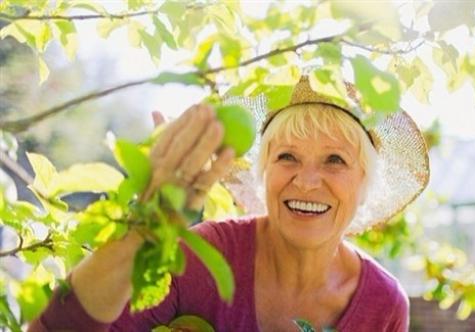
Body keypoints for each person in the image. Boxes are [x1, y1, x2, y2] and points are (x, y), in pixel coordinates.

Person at [30, 76, 429, 331]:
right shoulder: (202, 261)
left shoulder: (382, 306)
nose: (306, 181)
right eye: (286, 156)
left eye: (335, 160)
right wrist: (144, 228)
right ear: (264, 172)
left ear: (364, 183)